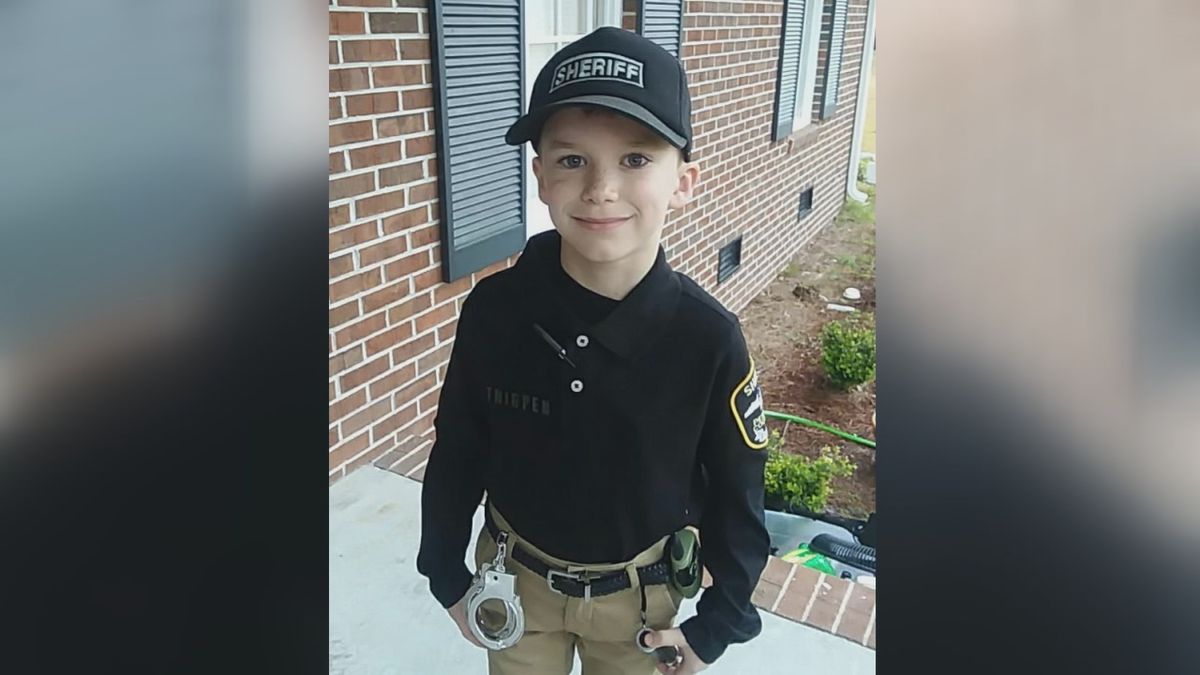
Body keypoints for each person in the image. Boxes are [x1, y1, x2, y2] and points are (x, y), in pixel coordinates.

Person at [417, 26, 770, 675]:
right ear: (540, 176)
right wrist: (445, 569)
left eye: (635, 159)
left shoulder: (708, 339)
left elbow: (738, 493)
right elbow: (460, 444)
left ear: (684, 180)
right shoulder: (495, 311)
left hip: (641, 606)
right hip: (515, 586)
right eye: (572, 159)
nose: (601, 187)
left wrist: (720, 621)